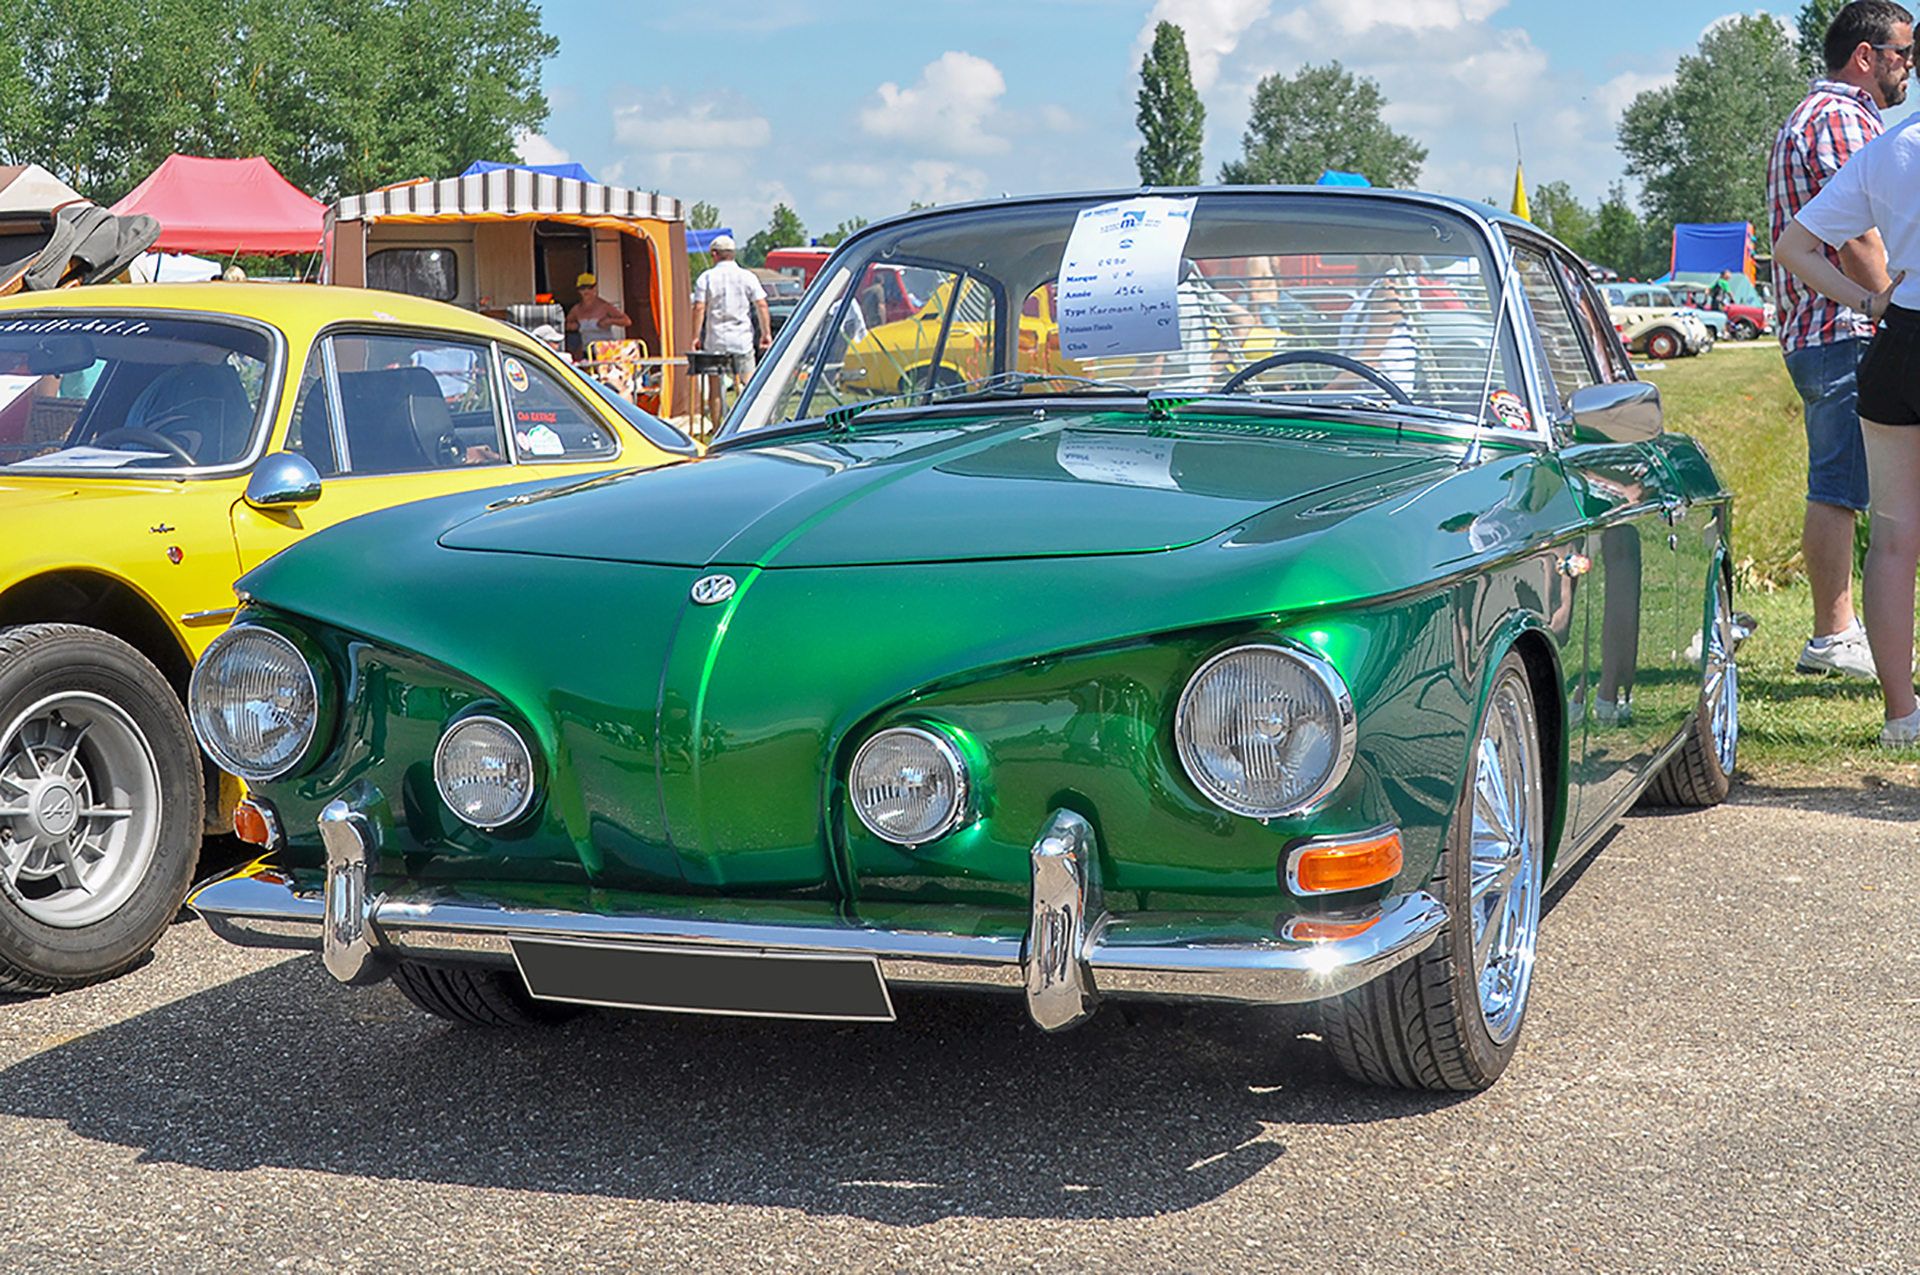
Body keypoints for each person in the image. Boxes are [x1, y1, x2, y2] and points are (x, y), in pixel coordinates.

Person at [1775, 21, 1920, 745]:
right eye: (1897, 54)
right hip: (1851, 331)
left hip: (1878, 342)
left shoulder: (1880, 140)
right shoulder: (1843, 118)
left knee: (1889, 529)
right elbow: (1860, 244)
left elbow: (1795, 242)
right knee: (1838, 487)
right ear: (1869, 56)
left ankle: (1899, 709)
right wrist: (1876, 296)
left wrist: (1883, 306)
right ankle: (1833, 635)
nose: (1903, 68)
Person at [689, 234, 770, 429]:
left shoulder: (706, 278)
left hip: (715, 339)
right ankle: (749, 425)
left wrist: (695, 336)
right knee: (747, 383)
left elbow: (699, 308)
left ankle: (718, 427)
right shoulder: (748, 276)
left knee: (716, 387)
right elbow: (761, 304)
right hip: (741, 338)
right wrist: (766, 333)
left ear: (715, 254)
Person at [565, 272, 633, 353]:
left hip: (606, 351)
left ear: (595, 288)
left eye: (590, 287)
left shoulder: (605, 306)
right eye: (583, 287)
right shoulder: (576, 309)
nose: (586, 291)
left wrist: (609, 321)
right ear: (578, 290)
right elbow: (565, 326)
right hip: (587, 350)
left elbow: (627, 321)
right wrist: (571, 326)